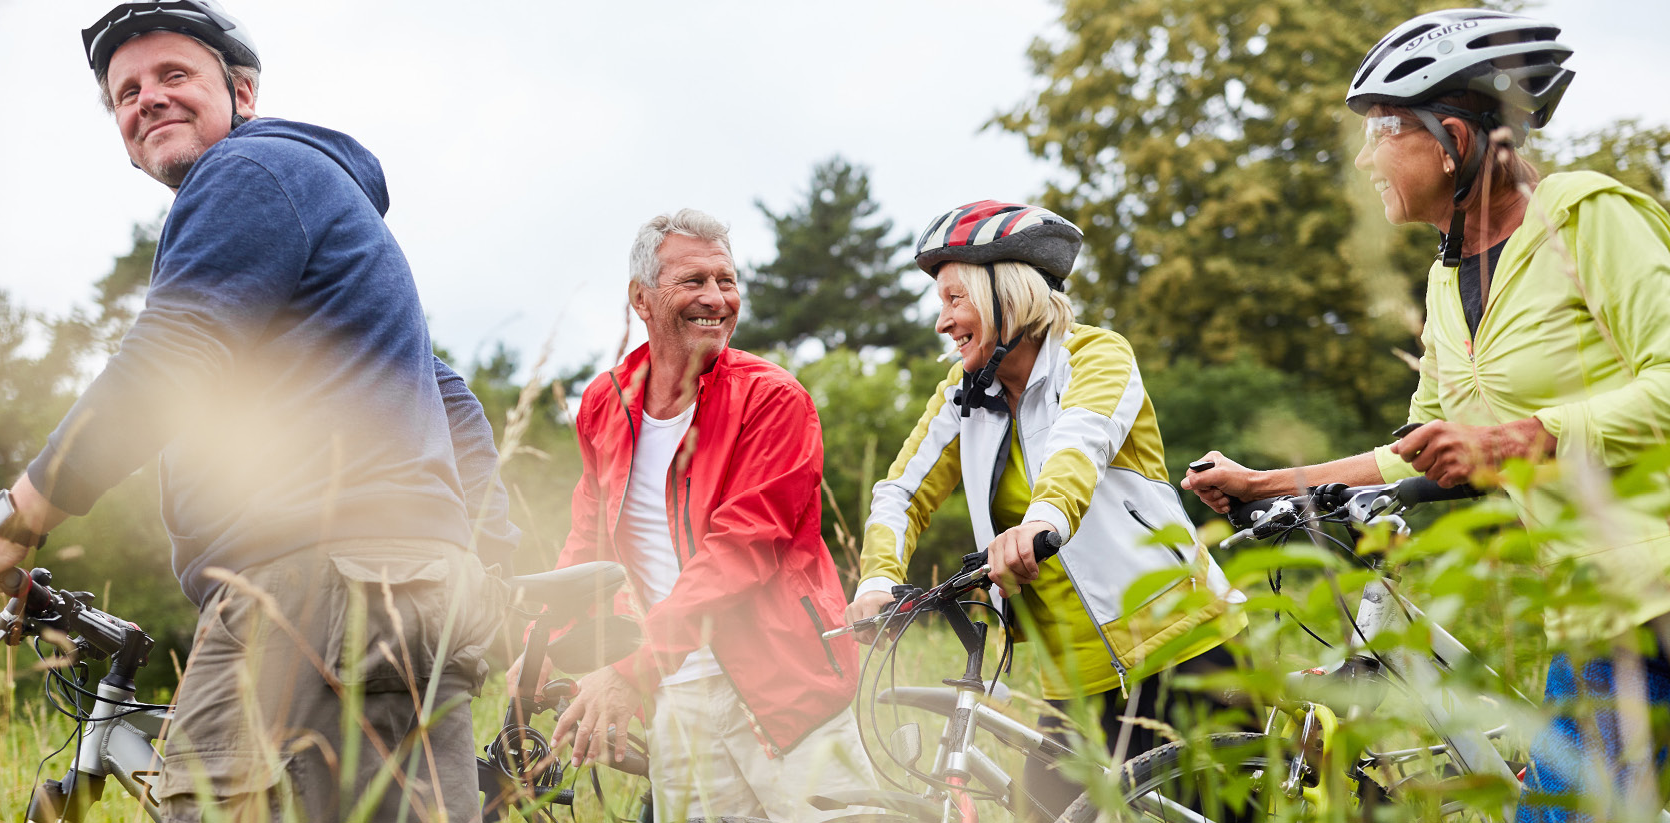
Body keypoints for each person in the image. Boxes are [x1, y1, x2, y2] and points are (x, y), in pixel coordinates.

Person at [0, 3, 518, 821]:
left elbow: (169, 361)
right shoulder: (311, 200)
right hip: (402, 597)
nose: (146, 99)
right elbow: (452, 402)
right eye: (126, 92)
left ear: (243, 93)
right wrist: (485, 568)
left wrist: (6, 522)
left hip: (309, 586)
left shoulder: (250, 174)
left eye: (172, 76)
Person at [1181, 9, 1670, 821]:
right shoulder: (1449, 280)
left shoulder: (1585, 216)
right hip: (1596, 609)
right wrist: (1269, 482)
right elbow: (1421, 448)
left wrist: (1525, 435)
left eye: (1381, 130)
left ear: (1451, 136)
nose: (1366, 156)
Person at [846, 201, 1248, 810]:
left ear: (1007, 295)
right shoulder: (963, 396)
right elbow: (900, 493)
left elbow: (1077, 446)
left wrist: (1041, 523)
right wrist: (878, 581)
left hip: (1186, 648)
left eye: (955, 299)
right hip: (1075, 681)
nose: (941, 322)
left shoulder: (1096, 356)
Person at [515, 209, 877, 823]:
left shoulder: (772, 399)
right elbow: (590, 541)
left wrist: (632, 669)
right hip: (676, 700)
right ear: (642, 298)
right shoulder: (606, 402)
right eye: (693, 281)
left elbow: (740, 553)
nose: (716, 298)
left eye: (726, 281)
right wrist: (540, 646)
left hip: (786, 692)